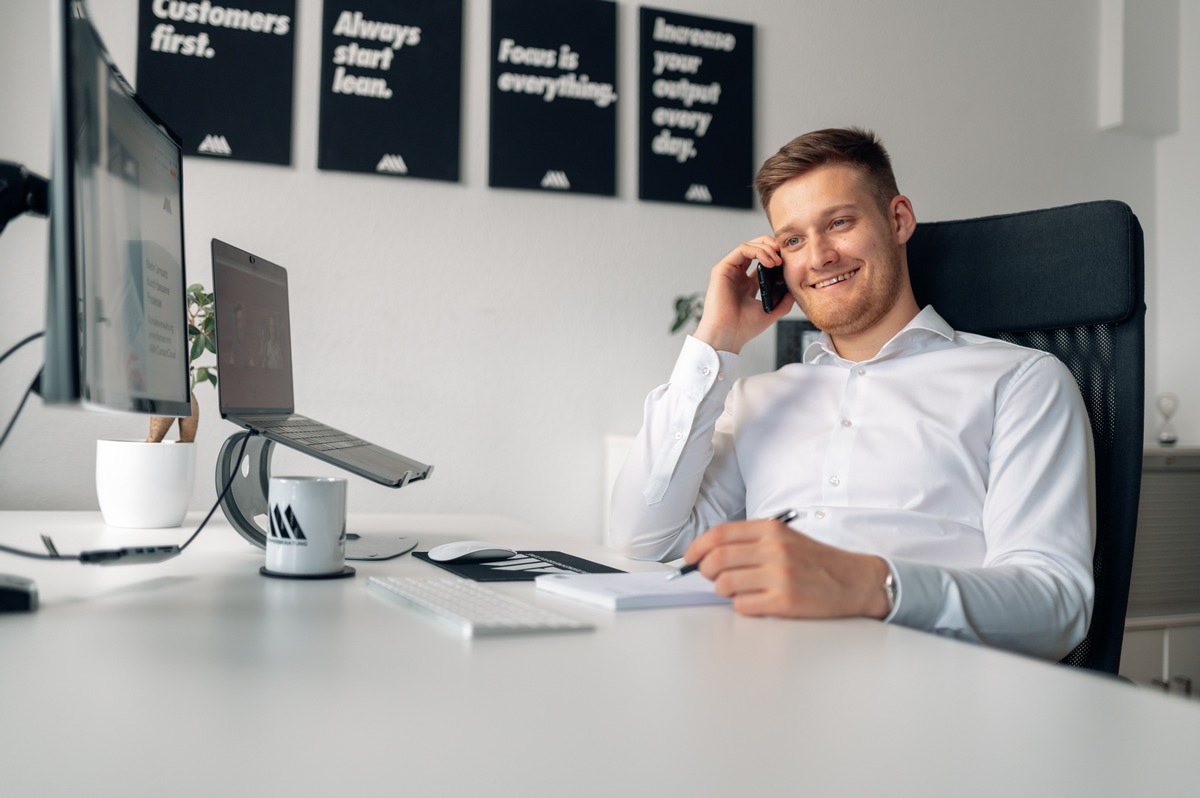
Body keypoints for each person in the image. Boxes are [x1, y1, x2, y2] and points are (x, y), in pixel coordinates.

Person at [609, 127, 1094, 660]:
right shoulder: (758, 400)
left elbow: (1056, 606)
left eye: (838, 223)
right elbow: (643, 538)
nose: (818, 257)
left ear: (898, 219)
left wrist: (866, 585)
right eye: (792, 240)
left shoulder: (1020, 382)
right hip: (758, 672)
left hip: (926, 692)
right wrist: (717, 339)